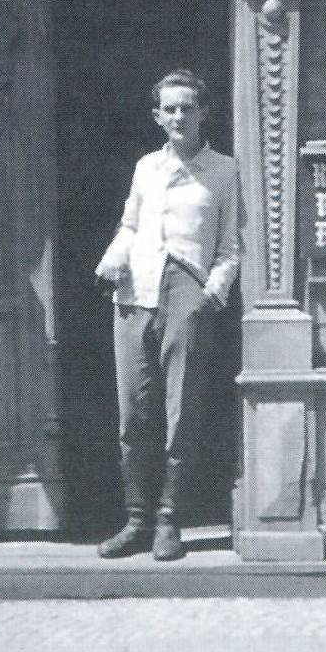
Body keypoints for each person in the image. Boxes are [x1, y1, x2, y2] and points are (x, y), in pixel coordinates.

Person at [94, 70, 240, 561]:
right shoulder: (146, 168)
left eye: (187, 108)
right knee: (134, 414)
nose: (179, 117)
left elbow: (230, 247)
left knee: (182, 412)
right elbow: (130, 225)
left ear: (203, 113)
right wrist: (113, 259)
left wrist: (211, 293)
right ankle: (136, 519)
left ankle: (169, 519)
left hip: (187, 291)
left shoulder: (223, 171)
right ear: (158, 116)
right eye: (170, 109)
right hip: (135, 290)